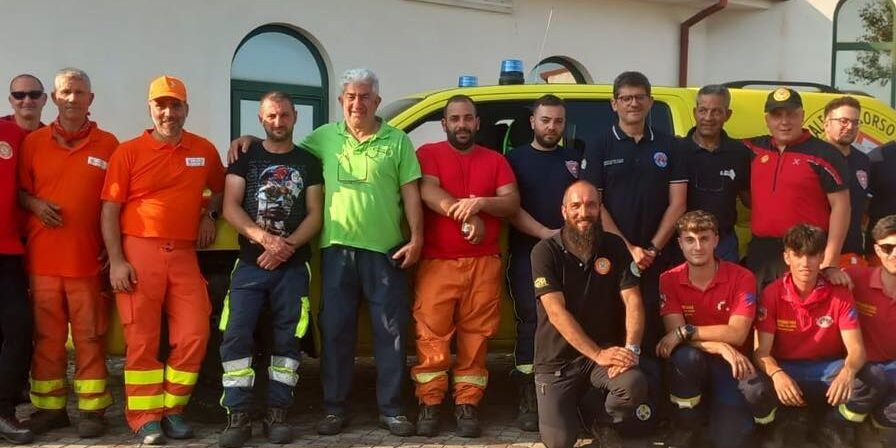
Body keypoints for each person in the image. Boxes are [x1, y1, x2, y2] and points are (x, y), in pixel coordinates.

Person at [228, 68, 423, 436]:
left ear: (377, 102)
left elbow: (411, 192)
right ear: (340, 101)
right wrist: (251, 138)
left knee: (391, 332)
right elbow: (282, 146)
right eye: (350, 96)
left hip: (386, 252)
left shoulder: (397, 141)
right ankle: (334, 409)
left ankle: (393, 409)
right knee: (335, 332)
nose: (357, 103)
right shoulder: (323, 138)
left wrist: (417, 238)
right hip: (336, 252)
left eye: (365, 96)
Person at [101, 75, 224, 445]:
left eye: (175, 105)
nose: (168, 112)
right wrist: (117, 261)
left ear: (187, 109)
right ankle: (144, 417)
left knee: (195, 333)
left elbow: (218, 189)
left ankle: (173, 409)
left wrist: (209, 216)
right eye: (161, 105)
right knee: (142, 339)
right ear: (150, 108)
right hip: (140, 251)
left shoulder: (203, 149)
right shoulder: (128, 152)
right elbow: (109, 210)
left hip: (184, 253)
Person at [580, 70, 686, 431]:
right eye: (626, 97)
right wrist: (629, 249)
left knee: (656, 332)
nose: (633, 103)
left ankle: (655, 410)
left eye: (640, 96)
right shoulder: (598, 145)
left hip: (661, 258)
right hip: (613, 256)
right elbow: (594, 205)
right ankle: (614, 408)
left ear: (650, 101)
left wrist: (652, 248)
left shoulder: (670, 145)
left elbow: (678, 204)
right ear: (614, 104)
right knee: (614, 326)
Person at [217, 91, 323, 447]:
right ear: (261, 120)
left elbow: (315, 214)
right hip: (249, 265)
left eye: (284, 115)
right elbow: (231, 207)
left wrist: (285, 247)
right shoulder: (245, 157)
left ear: (295, 117)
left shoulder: (309, 161)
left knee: (287, 340)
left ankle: (279, 413)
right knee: (236, 336)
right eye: (271, 117)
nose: (278, 122)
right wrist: (264, 239)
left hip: (292, 268)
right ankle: (238, 416)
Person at [17, 68, 118, 437]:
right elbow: (19, 193)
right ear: (54, 99)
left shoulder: (110, 145)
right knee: (47, 339)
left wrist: (113, 246)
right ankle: (50, 409)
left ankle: (93, 411)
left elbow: (119, 201)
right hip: (43, 261)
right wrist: (35, 204)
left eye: (79, 92)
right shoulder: (33, 143)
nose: (72, 98)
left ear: (91, 99)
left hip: (88, 262)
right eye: (65, 92)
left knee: (91, 337)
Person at [413, 94, 519, 437]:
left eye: (467, 118)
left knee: (477, 338)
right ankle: (429, 404)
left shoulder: (496, 160)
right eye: (454, 119)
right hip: (437, 262)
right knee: (431, 336)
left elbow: (511, 202)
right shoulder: (428, 154)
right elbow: (428, 191)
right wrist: (465, 215)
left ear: (477, 123)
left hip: (483, 264)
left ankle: (467, 404)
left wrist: (481, 204)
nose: (462, 125)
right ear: (444, 124)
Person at [530, 180, 647, 448]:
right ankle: (577, 412)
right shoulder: (544, 252)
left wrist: (631, 350)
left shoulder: (615, 246)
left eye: (591, 205)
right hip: (556, 361)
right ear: (563, 211)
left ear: (600, 209)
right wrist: (597, 354)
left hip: (601, 356)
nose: (584, 212)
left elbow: (633, 300)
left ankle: (599, 419)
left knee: (633, 385)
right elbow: (556, 313)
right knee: (558, 442)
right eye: (576, 206)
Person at [747, 224, 884, 448]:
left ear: (821, 258)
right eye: (798, 255)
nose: (805, 263)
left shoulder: (839, 292)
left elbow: (857, 349)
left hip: (829, 370)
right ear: (786, 257)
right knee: (752, 386)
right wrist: (777, 373)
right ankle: (776, 425)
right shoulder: (771, 294)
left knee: (873, 376)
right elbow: (761, 352)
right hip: (787, 369)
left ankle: (836, 423)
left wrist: (848, 372)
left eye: (812, 256)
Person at [504, 94, 577, 431]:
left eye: (558, 121)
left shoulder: (574, 159)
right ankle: (529, 397)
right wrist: (546, 234)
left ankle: (563, 397)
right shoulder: (514, 160)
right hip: (529, 253)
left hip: (569, 254)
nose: (552, 127)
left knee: (569, 320)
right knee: (531, 324)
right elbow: (510, 207)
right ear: (533, 122)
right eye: (545, 120)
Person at [656, 210, 759, 448]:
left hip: (733, 366)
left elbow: (737, 333)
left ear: (716, 240)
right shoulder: (668, 279)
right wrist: (720, 346)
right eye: (690, 239)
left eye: (704, 238)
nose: (698, 246)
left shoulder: (742, 277)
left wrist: (686, 332)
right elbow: (675, 339)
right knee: (685, 357)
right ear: (680, 243)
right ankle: (686, 425)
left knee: (730, 440)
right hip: (698, 361)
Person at [744, 88, 851, 291]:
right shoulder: (753, 149)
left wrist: (830, 260)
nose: (784, 122)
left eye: (791, 114)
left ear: (802, 115)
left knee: (802, 316)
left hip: (806, 252)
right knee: (762, 314)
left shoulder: (825, 154)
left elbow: (842, 207)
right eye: (777, 115)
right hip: (762, 252)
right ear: (767, 119)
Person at [680, 85, 751, 262]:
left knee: (727, 290)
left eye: (716, 112)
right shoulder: (677, 151)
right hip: (684, 243)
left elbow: (749, 199)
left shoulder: (739, 153)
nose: (708, 118)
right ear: (695, 112)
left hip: (724, 243)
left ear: (728, 115)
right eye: (703, 110)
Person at [844, 214, 896, 446]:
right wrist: (831, 271)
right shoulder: (855, 278)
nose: (895, 254)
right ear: (877, 249)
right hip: (860, 373)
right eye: (888, 247)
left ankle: (878, 428)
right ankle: (839, 426)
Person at [0, 118, 34, 444]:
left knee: (18, 328)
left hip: (8, 250)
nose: (26, 100)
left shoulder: (11, 134)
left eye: (33, 94)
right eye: (19, 95)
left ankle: (3, 411)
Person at [823, 96, 870, 267]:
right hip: (817, 255)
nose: (850, 127)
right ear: (826, 123)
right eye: (843, 121)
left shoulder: (863, 161)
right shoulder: (814, 158)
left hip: (853, 254)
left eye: (855, 122)